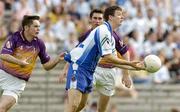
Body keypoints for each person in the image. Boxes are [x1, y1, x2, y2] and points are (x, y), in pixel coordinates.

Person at [62, 6, 145, 112]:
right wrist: (130, 64)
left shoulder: (111, 36)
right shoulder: (103, 31)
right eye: (119, 15)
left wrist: (132, 68)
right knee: (74, 105)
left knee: (81, 106)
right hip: (80, 67)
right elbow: (108, 57)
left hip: (91, 70)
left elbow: (112, 59)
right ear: (110, 17)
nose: (122, 17)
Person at [0, 15, 64, 112]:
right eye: (35, 26)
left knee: (2, 108)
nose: (38, 29)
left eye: (39, 26)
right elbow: (3, 55)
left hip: (17, 83)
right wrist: (19, 62)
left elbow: (46, 66)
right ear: (26, 27)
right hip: (2, 74)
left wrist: (57, 60)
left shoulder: (39, 44)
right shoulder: (15, 37)